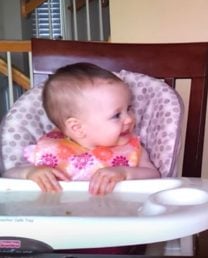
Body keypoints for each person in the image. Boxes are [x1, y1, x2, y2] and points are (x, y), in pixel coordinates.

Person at [2, 62, 160, 195]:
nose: (130, 119)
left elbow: (154, 176)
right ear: (77, 127)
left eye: (129, 108)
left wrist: (125, 173)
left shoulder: (132, 148)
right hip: (62, 220)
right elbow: (8, 176)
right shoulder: (48, 150)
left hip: (116, 219)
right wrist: (30, 173)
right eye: (117, 115)